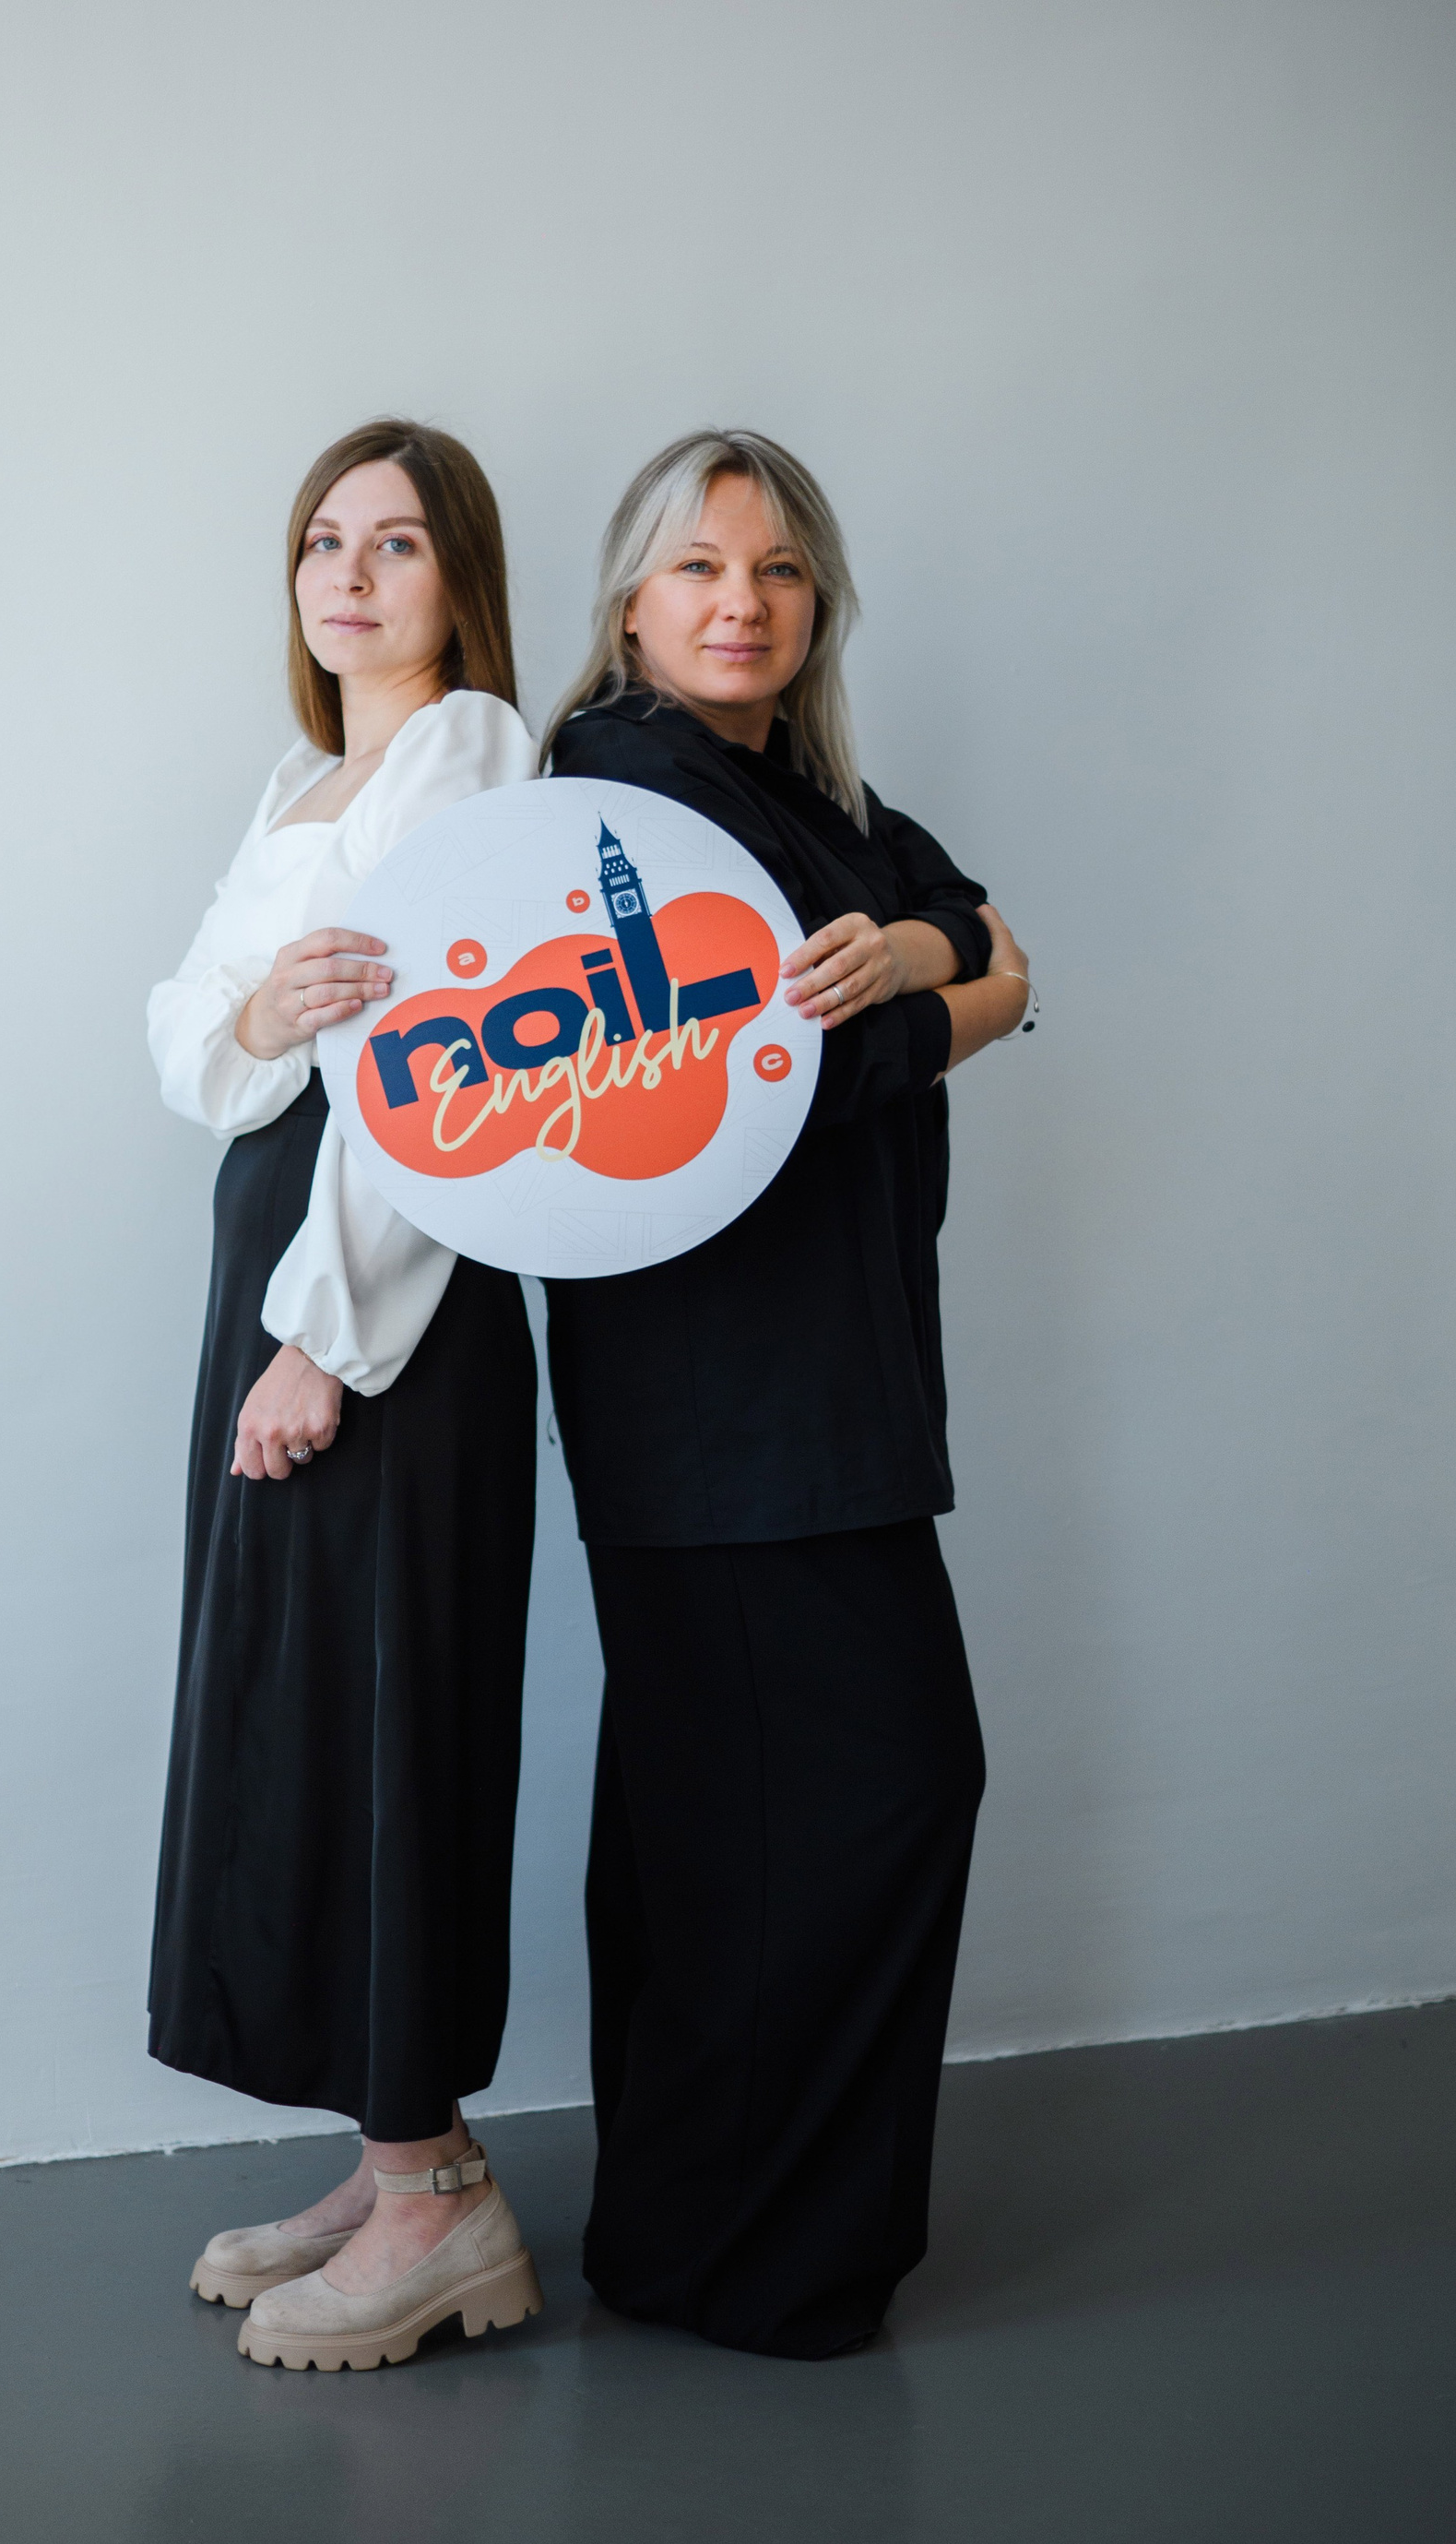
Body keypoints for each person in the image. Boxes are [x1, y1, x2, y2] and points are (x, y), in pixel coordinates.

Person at [538, 430, 1034, 2360]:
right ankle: (760, 2259)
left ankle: (694, 2242)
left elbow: (990, 938)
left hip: (825, 1380)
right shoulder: (625, 781)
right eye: (697, 567)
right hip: (721, 1400)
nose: (740, 603)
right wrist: (949, 996)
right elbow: (758, 1075)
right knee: (863, 1787)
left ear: (818, 601)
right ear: (631, 601)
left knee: (720, 1815)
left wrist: (911, 953)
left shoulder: (808, 787)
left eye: (778, 570)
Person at [145, 419, 545, 2372]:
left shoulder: (470, 747)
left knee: (388, 1714)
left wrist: (326, 1337)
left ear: (460, 577)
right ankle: (404, 2153)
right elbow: (185, 1038)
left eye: (395, 542)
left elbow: (446, 1071)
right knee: (303, 1708)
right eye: (323, 539)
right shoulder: (301, 777)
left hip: (386, 1305)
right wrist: (252, 1012)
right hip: (278, 1275)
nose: (350, 575)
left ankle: (437, 2199)